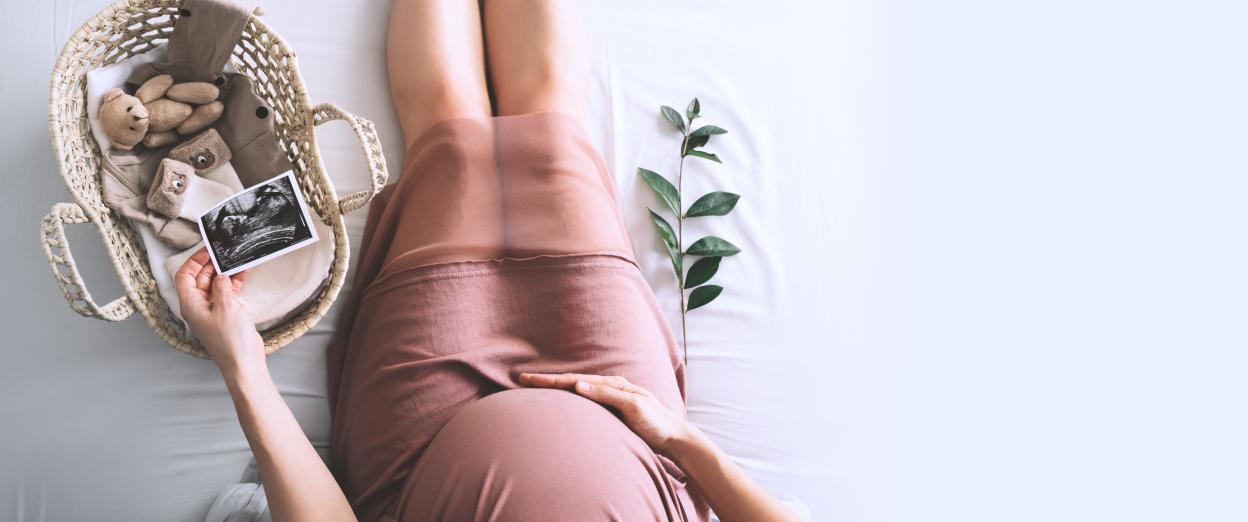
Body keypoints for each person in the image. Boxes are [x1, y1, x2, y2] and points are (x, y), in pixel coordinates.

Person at [175, 1, 799, 520]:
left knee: (446, 127)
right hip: (625, 418)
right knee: (551, 119)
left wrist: (244, 367)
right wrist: (682, 441)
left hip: (425, 444)